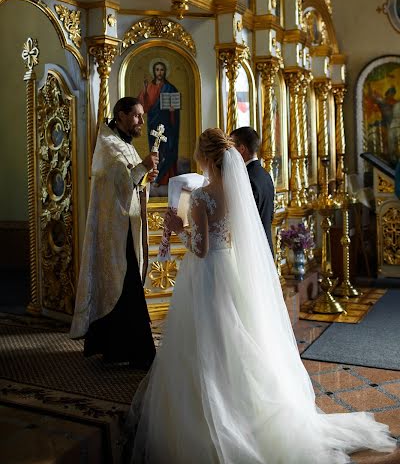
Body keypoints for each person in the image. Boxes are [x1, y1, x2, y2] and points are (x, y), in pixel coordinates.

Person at [123, 128, 396, 463]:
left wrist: (179, 230)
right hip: (231, 271)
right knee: (232, 339)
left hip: (208, 275)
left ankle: (214, 414)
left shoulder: (202, 197)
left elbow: (200, 248)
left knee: (206, 342)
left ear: (205, 157)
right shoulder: (235, 194)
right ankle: (243, 408)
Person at [70, 97, 158, 369]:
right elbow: (121, 182)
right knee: (122, 285)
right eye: (136, 116)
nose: (141, 121)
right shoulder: (108, 145)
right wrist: (142, 169)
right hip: (114, 232)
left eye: (142, 116)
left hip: (126, 228)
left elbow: (132, 182)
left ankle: (118, 349)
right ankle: (132, 351)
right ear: (120, 115)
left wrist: (145, 178)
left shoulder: (125, 145)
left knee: (126, 286)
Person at [231, 126, 275, 254]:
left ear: (242, 149)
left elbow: (244, 221)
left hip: (252, 251)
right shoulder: (265, 175)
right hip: (266, 246)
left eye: (231, 148)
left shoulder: (246, 179)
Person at [138, 61, 180, 187]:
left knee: (167, 150)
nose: (159, 72)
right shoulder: (149, 87)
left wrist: (173, 111)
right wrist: (145, 91)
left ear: (165, 71)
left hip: (167, 124)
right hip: (153, 123)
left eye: (162, 70)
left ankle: (163, 177)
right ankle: (154, 176)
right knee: (156, 150)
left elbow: (175, 108)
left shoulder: (170, 88)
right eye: (157, 69)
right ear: (154, 71)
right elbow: (142, 107)